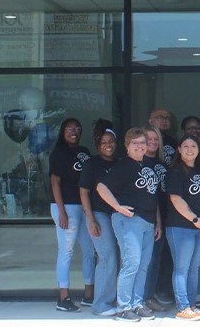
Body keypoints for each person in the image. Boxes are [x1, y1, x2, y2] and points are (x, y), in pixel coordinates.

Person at [97, 127, 162, 322]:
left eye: (142, 142)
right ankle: (123, 307)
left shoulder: (146, 165)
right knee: (131, 264)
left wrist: (158, 220)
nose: (140, 146)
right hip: (129, 221)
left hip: (149, 222)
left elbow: (152, 195)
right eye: (135, 143)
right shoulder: (123, 166)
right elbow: (101, 187)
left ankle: (136, 303)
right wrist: (117, 207)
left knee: (143, 265)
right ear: (127, 146)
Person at [165, 134, 200, 321]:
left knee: (194, 268)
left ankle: (192, 306)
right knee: (182, 268)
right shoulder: (176, 172)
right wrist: (195, 220)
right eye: (185, 146)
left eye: (193, 146)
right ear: (179, 149)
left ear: (198, 149)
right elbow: (176, 199)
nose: (190, 149)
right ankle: (183, 307)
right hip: (181, 227)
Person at [49, 117, 94, 313]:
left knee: (90, 250)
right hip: (66, 206)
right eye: (69, 128)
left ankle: (89, 294)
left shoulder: (83, 152)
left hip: (84, 206)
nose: (73, 131)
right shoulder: (59, 152)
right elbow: (55, 183)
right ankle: (63, 297)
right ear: (62, 131)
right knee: (66, 251)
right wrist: (61, 212)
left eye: (77, 128)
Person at [79, 120, 119, 316]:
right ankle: (101, 304)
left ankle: (113, 300)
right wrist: (90, 219)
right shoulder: (91, 163)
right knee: (107, 256)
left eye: (111, 141)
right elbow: (84, 192)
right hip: (99, 215)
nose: (108, 145)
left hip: (118, 218)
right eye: (104, 142)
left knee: (117, 258)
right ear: (98, 145)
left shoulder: (120, 164)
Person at [143, 126, 171, 312]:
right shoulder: (140, 162)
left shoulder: (162, 163)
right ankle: (144, 298)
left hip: (166, 215)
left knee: (158, 259)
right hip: (149, 217)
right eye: (148, 139)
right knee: (148, 260)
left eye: (156, 139)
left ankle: (151, 294)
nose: (153, 142)